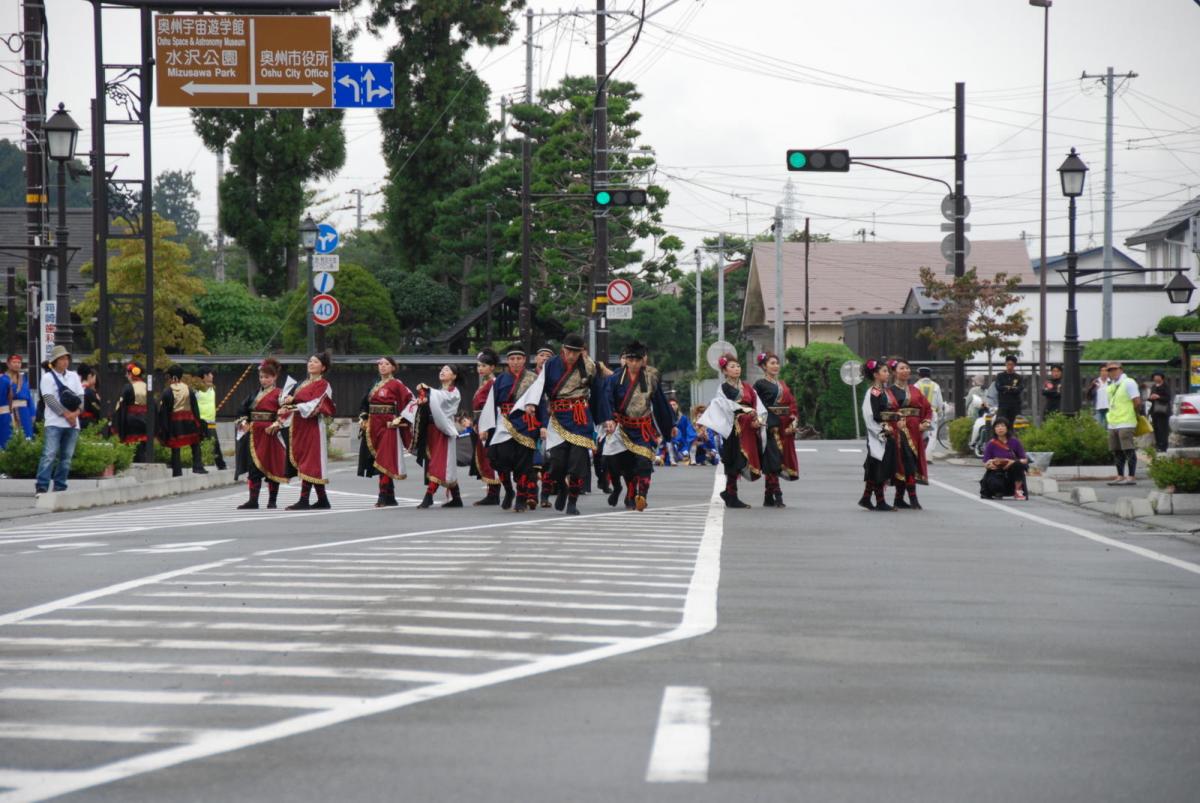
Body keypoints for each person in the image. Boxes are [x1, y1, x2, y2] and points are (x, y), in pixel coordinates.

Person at [540, 333, 609, 515]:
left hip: (580, 417)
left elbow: (598, 394)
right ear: (563, 348)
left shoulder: (590, 366)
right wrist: (534, 407)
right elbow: (539, 390)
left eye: (576, 352)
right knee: (556, 463)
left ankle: (572, 500)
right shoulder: (551, 365)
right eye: (569, 351)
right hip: (558, 418)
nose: (571, 355)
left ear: (581, 352)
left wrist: (604, 419)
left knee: (577, 463)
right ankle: (562, 487)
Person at [601, 341, 674, 511]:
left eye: (637, 360)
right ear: (625, 360)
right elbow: (607, 400)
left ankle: (642, 496)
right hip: (621, 428)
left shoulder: (650, 379)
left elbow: (662, 404)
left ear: (643, 361)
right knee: (614, 462)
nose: (633, 363)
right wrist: (609, 419)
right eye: (630, 359)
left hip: (642, 428)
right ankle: (623, 489)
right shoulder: (614, 379)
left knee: (643, 462)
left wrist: (670, 425)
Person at [481, 345, 544, 512]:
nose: (515, 362)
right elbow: (491, 404)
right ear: (508, 361)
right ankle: (509, 491)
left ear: (524, 360)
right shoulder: (500, 379)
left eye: (519, 359)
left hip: (526, 424)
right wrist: (485, 426)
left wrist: (543, 425)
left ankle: (521, 497)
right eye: (512, 359)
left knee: (524, 464)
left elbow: (541, 404)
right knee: (500, 461)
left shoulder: (533, 378)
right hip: (504, 423)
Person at [698, 352, 765, 509]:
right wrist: (742, 410)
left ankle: (729, 493)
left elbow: (758, 406)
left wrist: (758, 420)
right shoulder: (723, 389)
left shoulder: (748, 387)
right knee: (734, 461)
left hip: (748, 429)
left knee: (742, 461)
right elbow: (722, 406)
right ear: (724, 371)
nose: (736, 369)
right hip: (732, 429)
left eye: (738, 366)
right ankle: (731, 494)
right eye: (732, 366)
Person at [279, 352, 336, 509]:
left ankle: (304, 500)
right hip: (299, 425)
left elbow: (317, 404)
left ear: (323, 367)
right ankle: (323, 500)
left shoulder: (323, 385)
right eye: (310, 361)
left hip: (312, 426)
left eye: (315, 362)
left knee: (310, 462)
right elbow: (301, 401)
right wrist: (291, 400)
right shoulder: (303, 384)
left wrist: (294, 406)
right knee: (305, 460)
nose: (311, 364)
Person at [358, 356, 413, 508]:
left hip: (388, 425)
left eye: (386, 364)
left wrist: (400, 419)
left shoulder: (397, 384)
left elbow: (410, 401)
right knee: (378, 457)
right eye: (380, 364)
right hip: (373, 424)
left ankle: (382, 495)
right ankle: (391, 496)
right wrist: (364, 417)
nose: (382, 366)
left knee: (384, 459)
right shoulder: (374, 384)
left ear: (393, 367)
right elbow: (365, 404)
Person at [234, 358, 288, 509]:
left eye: (267, 377)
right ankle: (253, 500)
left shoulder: (280, 394)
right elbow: (242, 410)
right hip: (254, 434)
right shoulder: (254, 395)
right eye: (261, 377)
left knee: (272, 465)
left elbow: (286, 412)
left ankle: (272, 501)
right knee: (253, 467)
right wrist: (244, 422)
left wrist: (278, 422)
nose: (263, 380)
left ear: (275, 377)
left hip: (270, 434)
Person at [35, 344, 84, 495]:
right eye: (61, 359)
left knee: (67, 457)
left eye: (66, 358)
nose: (65, 361)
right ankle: (42, 484)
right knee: (49, 454)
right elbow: (49, 399)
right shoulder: (47, 377)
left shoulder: (74, 376)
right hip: (54, 422)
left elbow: (81, 397)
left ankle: (60, 485)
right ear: (55, 361)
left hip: (73, 424)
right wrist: (66, 415)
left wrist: (75, 414)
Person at [414, 364, 463, 509]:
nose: (442, 371)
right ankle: (457, 498)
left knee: (439, 463)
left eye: (447, 370)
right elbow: (434, 400)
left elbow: (442, 400)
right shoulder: (438, 391)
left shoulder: (453, 392)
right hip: (432, 430)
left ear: (454, 376)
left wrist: (428, 391)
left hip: (444, 431)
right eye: (442, 369)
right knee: (446, 465)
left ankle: (429, 496)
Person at [753, 352, 799, 507]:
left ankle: (768, 497)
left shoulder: (783, 385)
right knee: (773, 461)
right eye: (772, 363)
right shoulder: (759, 384)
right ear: (764, 366)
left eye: (777, 363)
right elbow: (755, 405)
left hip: (783, 426)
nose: (775, 366)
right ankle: (778, 495)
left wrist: (793, 419)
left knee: (775, 460)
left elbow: (791, 404)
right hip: (768, 426)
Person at [884, 358, 924, 508]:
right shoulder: (889, 392)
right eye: (902, 368)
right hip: (899, 431)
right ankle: (912, 498)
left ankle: (899, 499)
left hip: (915, 431)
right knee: (905, 463)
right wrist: (894, 422)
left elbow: (926, 408)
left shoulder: (915, 390)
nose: (906, 371)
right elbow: (885, 411)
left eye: (907, 368)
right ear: (894, 372)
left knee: (911, 462)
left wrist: (925, 422)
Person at [469, 348, 505, 506]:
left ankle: (494, 493)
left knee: (490, 458)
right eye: (478, 366)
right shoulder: (485, 383)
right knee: (484, 457)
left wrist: (486, 427)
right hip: (480, 422)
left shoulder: (494, 383)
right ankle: (492, 492)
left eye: (484, 366)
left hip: (489, 423)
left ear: (492, 367)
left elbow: (492, 407)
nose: (480, 369)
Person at [859, 358, 896, 511]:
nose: (887, 374)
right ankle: (879, 500)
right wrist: (884, 427)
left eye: (887, 371)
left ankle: (867, 497)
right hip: (878, 432)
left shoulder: (882, 390)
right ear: (875, 374)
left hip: (884, 431)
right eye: (884, 371)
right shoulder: (874, 391)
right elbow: (873, 414)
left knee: (876, 466)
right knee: (879, 466)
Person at [157, 365, 207, 477]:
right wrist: (197, 422)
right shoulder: (188, 389)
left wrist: (164, 427)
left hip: (175, 423)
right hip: (189, 420)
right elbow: (195, 408)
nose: (168, 379)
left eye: (168, 376)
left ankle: (177, 471)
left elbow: (164, 411)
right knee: (195, 443)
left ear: (172, 377)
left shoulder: (168, 391)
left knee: (175, 446)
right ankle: (198, 466)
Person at [1104, 361, 1141, 486]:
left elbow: (1136, 401)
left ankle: (1131, 476)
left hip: (1126, 421)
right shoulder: (1112, 385)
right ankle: (1120, 476)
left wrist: (1135, 415)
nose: (1112, 372)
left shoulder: (1128, 382)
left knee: (1128, 449)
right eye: (1109, 370)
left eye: (1114, 369)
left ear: (1121, 369)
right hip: (1113, 422)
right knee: (1116, 451)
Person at [980, 417, 1029, 500]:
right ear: (994, 429)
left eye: (1002, 426)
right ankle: (997, 491)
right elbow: (986, 462)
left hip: (1012, 471)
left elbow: (1024, 459)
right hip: (998, 471)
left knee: (1018, 464)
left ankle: (1018, 490)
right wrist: (991, 464)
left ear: (1007, 428)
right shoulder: (991, 444)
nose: (1000, 428)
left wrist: (1011, 462)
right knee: (995, 480)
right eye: (997, 426)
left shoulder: (1015, 442)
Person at [112, 361, 150, 461]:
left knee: (132, 448)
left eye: (127, 373)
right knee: (143, 447)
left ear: (131, 374)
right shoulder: (147, 387)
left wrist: (115, 421)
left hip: (132, 422)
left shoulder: (128, 387)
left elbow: (120, 406)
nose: (126, 376)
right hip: (146, 420)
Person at [193, 365, 227, 471]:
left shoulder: (212, 387)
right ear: (204, 376)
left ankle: (221, 465)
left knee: (214, 442)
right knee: (199, 444)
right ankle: (198, 465)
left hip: (211, 421)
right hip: (200, 421)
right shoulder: (196, 390)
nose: (212, 376)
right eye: (210, 374)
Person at [0, 354, 35, 446]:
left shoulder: (24, 379)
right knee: (8, 440)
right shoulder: (3, 380)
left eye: (19, 362)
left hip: (24, 413)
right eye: (14, 362)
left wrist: (32, 413)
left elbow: (29, 397)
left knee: (27, 438)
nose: (17, 364)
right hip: (8, 413)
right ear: (8, 364)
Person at [913, 367, 944, 444]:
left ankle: (921, 455)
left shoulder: (915, 386)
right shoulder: (936, 386)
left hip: (919, 414)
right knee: (931, 437)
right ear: (930, 375)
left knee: (919, 437)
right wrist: (940, 414)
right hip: (932, 415)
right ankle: (928, 455)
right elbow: (940, 403)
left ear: (919, 375)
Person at [995, 355, 1024, 424]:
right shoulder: (1000, 376)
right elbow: (998, 387)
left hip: (1015, 405)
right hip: (1003, 405)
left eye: (1012, 364)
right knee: (1001, 423)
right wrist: (1010, 388)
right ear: (1005, 364)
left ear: (1015, 365)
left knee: (1015, 425)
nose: (1010, 366)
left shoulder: (1018, 377)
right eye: (1008, 364)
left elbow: (1019, 389)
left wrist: (1006, 388)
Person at [1147, 371, 1171, 453]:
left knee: (1163, 429)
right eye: (1155, 376)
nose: (1156, 378)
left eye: (1158, 376)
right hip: (1154, 411)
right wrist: (1151, 397)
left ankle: (1164, 446)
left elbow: (1168, 398)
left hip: (1163, 411)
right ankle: (1158, 445)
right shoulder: (1153, 386)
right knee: (1156, 428)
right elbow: (1150, 398)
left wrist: (1158, 397)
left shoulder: (1165, 386)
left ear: (1162, 377)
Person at [76, 363, 103, 430]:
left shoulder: (77, 389)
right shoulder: (89, 392)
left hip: (77, 421)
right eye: (94, 376)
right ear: (90, 376)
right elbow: (97, 408)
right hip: (88, 423)